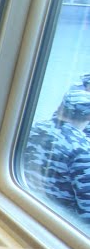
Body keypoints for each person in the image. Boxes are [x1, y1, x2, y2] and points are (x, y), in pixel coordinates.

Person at [21, 88, 90, 226]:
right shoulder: (82, 148)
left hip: (26, 206)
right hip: (59, 222)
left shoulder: (33, 128)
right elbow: (87, 211)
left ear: (60, 108)